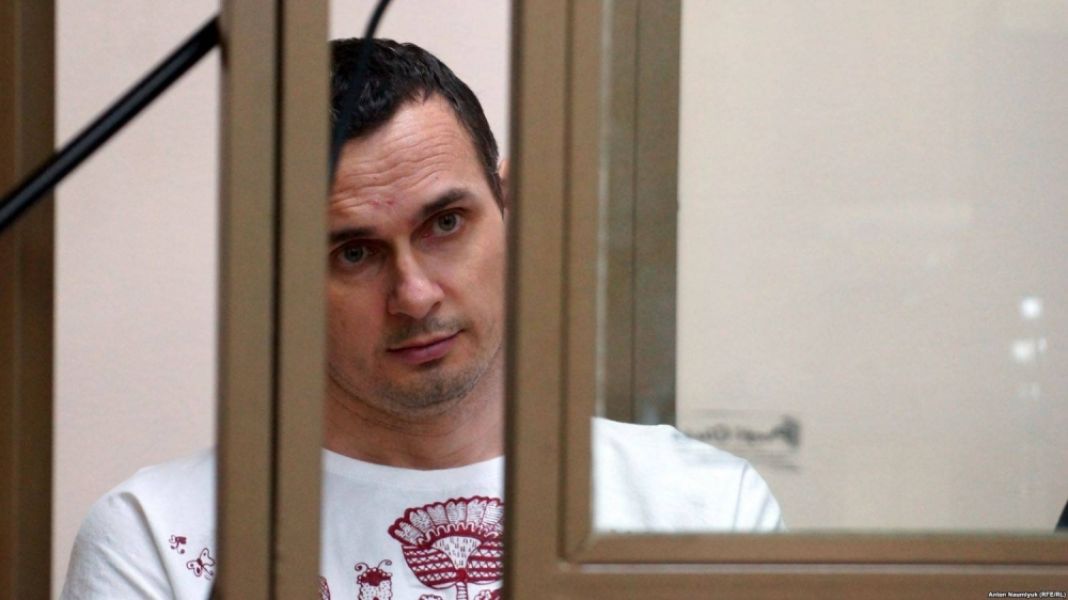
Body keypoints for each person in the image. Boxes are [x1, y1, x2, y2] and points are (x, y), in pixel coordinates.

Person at [61, 39, 783, 600]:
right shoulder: (158, 537)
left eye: (445, 223)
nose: (413, 294)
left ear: (511, 207)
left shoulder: (698, 508)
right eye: (353, 252)